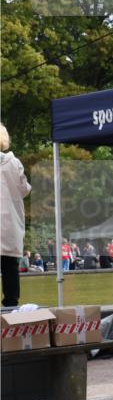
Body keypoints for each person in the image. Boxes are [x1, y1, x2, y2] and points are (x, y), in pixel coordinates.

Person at [1, 123, 31, 306]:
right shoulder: (13, 163)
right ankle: (11, 306)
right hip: (8, 223)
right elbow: (24, 189)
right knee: (10, 267)